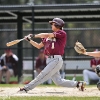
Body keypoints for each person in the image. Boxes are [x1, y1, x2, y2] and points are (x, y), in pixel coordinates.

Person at [18, 18, 85, 93]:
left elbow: (47, 34)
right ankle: (78, 84)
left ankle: (26, 88)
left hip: (56, 60)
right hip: (49, 60)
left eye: (53, 24)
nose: (51, 25)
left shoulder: (62, 33)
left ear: (57, 25)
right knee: (58, 81)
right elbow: (38, 46)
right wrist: (30, 40)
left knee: (42, 75)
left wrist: (33, 35)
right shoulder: (48, 37)